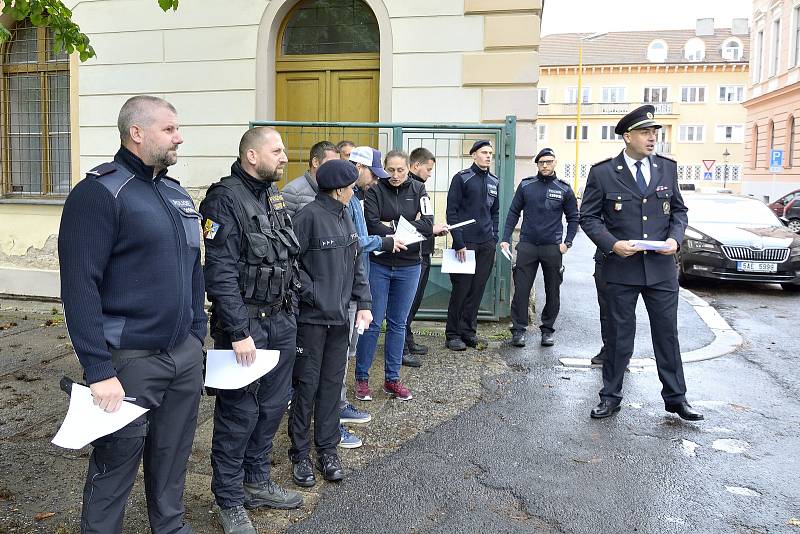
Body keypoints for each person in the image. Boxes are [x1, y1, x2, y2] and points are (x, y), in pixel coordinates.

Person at [58, 95, 206, 534]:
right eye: (170, 129)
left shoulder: (174, 192)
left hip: (182, 355)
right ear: (136, 132)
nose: (179, 137)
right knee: (115, 465)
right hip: (129, 361)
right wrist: (98, 368)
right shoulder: (99, 193)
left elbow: (193, 268)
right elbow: (80, 286)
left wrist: (197, 335)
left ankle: (170, 527)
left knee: (173, 455)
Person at [200, 127, 303, 534]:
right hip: (245, 329)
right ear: (251, 156)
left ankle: (256, 482)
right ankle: (228, 500)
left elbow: (285, 257)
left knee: (273, 407)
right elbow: (220, 271)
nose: (284, 156)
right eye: (276, 150)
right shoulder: (223, 200)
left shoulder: (272, 196)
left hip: (281, 321)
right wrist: (239, 331)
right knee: (239, 413)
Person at [579, 105, 703, 422]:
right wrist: (612, 244)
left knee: (667, 334)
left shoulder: (667, 168)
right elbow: (589, 218)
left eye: (655, 133)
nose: (652, 138)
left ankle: (676, 398)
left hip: (660, 269)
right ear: (627, 136)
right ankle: (610, 396)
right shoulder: (603, 172)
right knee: (619, 336)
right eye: (646, 133)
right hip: (621, 268)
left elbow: (679, 211)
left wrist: (675, 239)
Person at [289, 159, 374, 487]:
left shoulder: (346, 215)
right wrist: (315, 296)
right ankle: (299, 455)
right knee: (306, 389)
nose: (354, 190)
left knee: (330, 389)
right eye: (351, 186)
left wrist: (363, 302)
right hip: (311, 322)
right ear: (339, 189)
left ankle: (327, 451)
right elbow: (290, 266)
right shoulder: (307, 217)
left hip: (340, 321)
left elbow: (356, 264)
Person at [337, 146, 407, 445]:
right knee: (340, 356)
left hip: (357, 278)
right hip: (347, 284)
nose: (376, 180)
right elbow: (354, 240)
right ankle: (334, 412)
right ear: (357, 167)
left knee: (346, 352)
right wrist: (384, 240)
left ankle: (338, 406)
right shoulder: (348, 198)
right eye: (373, 173)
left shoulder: (357, 195)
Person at [354, 150, 433, 401]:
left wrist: (392, 228)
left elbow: (428, 225)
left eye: (401, 170)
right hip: (381, 263)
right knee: (373, 322)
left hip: (410, 265)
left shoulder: (419, 190)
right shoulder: (376, 190)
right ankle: (362, 379)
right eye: (391, 170)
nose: (396, 175)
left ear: (409, 168)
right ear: (384, 168)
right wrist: (407, 227)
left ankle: (392, 379)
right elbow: (371, 223)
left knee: (398, 323)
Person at [500, 148, 579, 348]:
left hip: (552, 247)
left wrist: (567, 243)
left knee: (553, 290)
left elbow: (573, 218)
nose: (545, 165)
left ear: (554, 163)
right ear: (537, 164)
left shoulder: (564, 189)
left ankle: (548, 330)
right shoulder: (526, 186)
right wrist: (505, 238)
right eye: (542, 162)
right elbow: (513, 212)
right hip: (527, 245)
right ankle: (518, 330)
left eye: (549, 161)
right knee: (521, 290)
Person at [444, 140, 500, 351]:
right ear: (474, 155)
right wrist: (458, 241)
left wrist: (493, 237)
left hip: (486, 244)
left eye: (490, 153)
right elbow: (452, 211)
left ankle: (468, 331)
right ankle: (453, 334)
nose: (488, 156)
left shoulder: (494, 181)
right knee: (461, 289)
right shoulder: (462, 178)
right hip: (465, 244)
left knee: (477, 289)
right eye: (484, 152)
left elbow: (494, 212)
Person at [403, 147, 449, 366]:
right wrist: (428, 226)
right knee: (407, 303)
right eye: (428, 169)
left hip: (423, 250)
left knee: (414, 302)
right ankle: (401, 347)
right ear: (416, 166)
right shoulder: (411, 188)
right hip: (414, 253)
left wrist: (430, 227)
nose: (430, 174)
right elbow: (419, 223)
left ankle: (407, 339)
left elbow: (426, 222)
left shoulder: (419, 188)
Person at [282, 140, 339, 217]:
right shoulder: (292, 191)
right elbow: (285, 226)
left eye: (337, 164)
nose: (335, 168)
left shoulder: (337, 190)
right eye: (331, 163)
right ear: (315, 162)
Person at [591, 250, 610, 365]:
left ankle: (621, 352)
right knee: (605, 308)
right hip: (604, 258)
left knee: (624, 311)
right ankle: (608, 349)